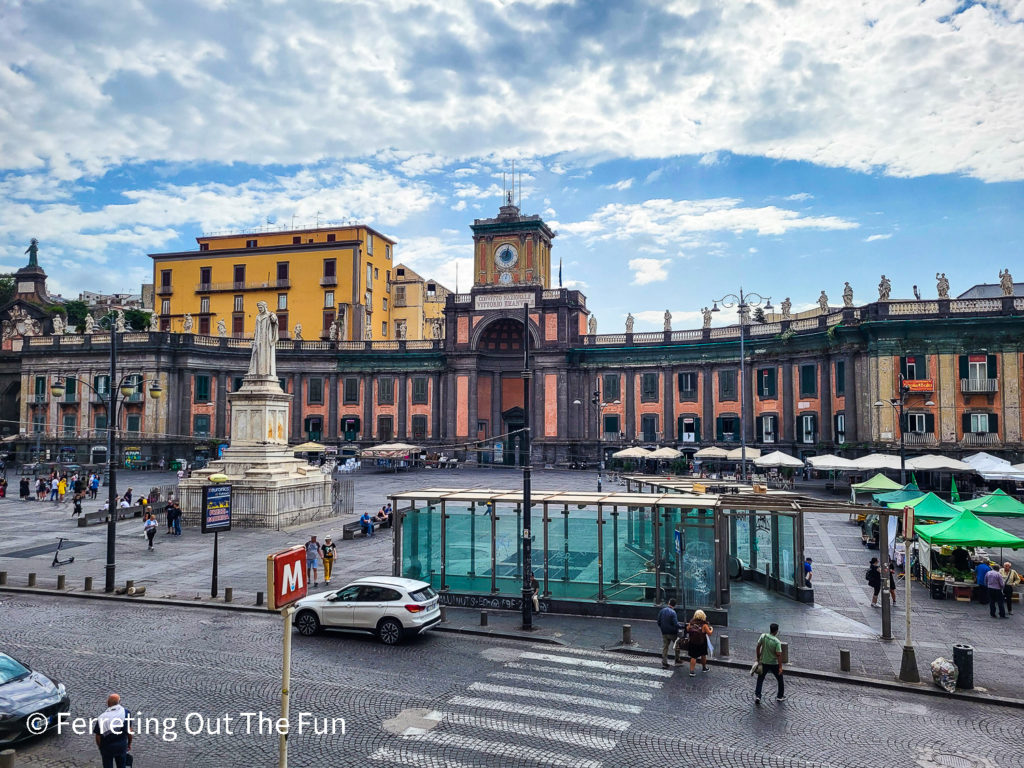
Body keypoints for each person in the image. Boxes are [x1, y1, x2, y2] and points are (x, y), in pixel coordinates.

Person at [93, 693, 132, 768]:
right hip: (121, 746)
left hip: (107, 747)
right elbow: (129, 731)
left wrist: (100, 747)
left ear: (108, 703)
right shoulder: (126, 713)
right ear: (119, 702)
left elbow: (98, 735)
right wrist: (129, 743)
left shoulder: (102, 717)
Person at [754, 622, 785, 704]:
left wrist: (758, 657)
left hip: (764, 661)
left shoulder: (763, 636)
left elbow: (758, 647)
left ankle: (758, 695)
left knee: (760, 679)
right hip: (774, 663)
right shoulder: (777, 642)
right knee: (780, 679)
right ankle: (780, 696)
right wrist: (780, 667)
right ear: (776, 631)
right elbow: (779, 655)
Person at [684, 609, 714, 677]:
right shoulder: (704, 624)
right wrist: (711, 629)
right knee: (703, 655)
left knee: (693, 657)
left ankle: (691, 671)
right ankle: (704, 668)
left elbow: (687, 629)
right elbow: (709, 633)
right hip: (702, 642)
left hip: (692, 642)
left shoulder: (691, 622)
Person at [656, 598, 682, 669]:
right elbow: (676, 624)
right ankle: (677, 659)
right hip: (672, 633)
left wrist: (662, 628)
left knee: (665, 647)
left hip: (664, 632)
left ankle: (664, 662)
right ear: (674, 605)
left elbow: (658, 621)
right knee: (677, 645)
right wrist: (682, 626)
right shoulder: (673, 612)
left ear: (668, 603)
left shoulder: (662, 610)